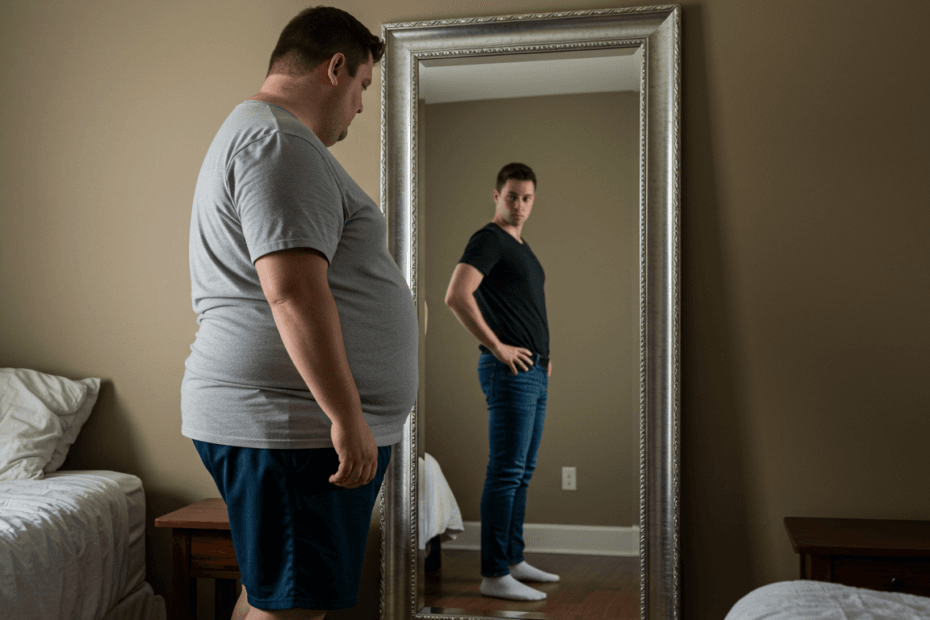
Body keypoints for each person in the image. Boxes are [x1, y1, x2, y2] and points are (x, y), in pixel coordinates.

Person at [180, 7, 418, 620]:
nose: (362, 106)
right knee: (291, 610)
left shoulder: (262, 135)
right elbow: (293, 292)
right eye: (363, 85)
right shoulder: (279, 141)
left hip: (287, 425)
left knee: (274, 601)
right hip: (294, 427)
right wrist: (346, 416)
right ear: (334, 68)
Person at [444, 163, 559, 602]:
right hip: (508, 372)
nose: (519, 204)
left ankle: (513, 559)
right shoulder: (488, 239)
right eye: (512, 196)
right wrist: (498, 347)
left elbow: (526, 306)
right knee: (507, 471)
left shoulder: (522, 246)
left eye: (527, 197)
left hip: (534, 372)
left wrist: (547, 356)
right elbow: (456, 294)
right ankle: (493, 573)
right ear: (496, 196)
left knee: (521, 472)